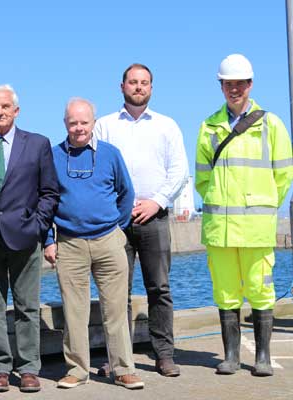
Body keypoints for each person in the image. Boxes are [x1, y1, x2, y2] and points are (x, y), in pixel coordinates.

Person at [195, 54, 293, 376]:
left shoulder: (271, 124)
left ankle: (262, 356)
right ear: (220, 86)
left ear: (250, 85)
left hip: (255, 227)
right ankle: (231, 357)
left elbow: (283, 176)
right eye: (228, 84)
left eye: (239, 83)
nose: (234, 89)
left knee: (260, 288)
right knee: (225, 291)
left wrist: (262, 206)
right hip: (220, 228)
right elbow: (202, 179)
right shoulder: (209, 126)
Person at [0, 84, 59, 393]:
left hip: (25, 238)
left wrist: (38, 226)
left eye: (5, 106)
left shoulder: (38, 144)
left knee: (27, 307)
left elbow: (49, 192)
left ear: (16, 110)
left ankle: (29, 367)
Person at [94, 63, 189, 377]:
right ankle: (119, 357)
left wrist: (156, 202)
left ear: (151, 88)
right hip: (115, 221)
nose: (138, 87)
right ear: (121, 87)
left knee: (159, 289)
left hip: (155, 219)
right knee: (115, 292)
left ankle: (164, 354)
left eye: (144, 82)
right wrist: (115, 204)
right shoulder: (104, 126)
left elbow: (178, 171)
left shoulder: (167, 126)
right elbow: (95, 169)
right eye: (132, 82)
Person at [44, 98, 144, 390]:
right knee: (74, 312)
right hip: (70, 244)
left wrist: (119, 230)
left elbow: (126, 193)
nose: (78, 128)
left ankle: (123, 368)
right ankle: (77, 370)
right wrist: (49, 240)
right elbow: (46, 202)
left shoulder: (111, 154)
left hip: (109, 241)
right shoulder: (52, 157)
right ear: (65, 124)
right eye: (73, 122)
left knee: (115, 309)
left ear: (93, 123)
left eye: (84, 122)